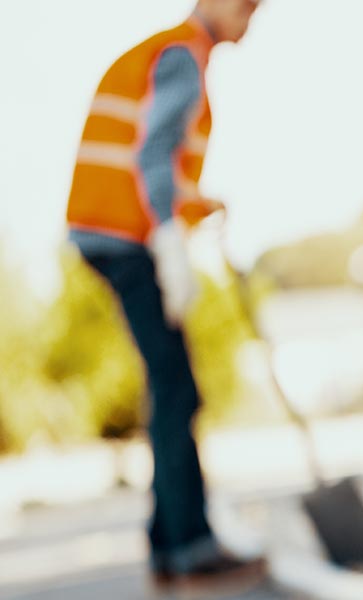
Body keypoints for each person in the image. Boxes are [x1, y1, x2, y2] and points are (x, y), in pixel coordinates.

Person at [65, 0, 264, 591]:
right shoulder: (181, 55)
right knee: (178, 388)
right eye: (248, 8)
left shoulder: (167, 50)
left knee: (170, 383)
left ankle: (169, 546)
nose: (250, 21)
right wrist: (170, 237)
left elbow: (162, 166)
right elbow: (151, 153)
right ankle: (191, 548)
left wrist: (199, 206)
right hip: (125, 238)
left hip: (111, 232)